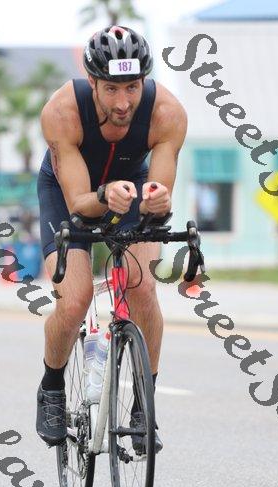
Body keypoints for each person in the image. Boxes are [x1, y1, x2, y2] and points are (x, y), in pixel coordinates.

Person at [36, 25, 187, 450]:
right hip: (69, 193)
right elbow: (80, 203)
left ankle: (143, 405)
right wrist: (104, 196)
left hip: (130, 186)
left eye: (132, 88)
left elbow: (159, 196)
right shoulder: (62, 111)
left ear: (144, 81)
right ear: (92, 81)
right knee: (76, 299)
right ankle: (51, 386)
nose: (123, 103)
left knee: (143, 288)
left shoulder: (168, 113)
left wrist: (158, 202)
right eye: (112, 89)